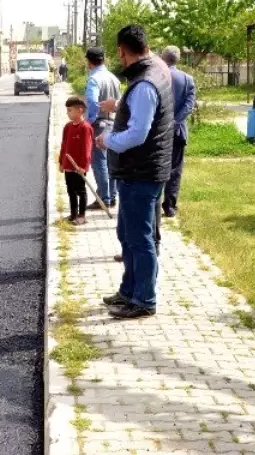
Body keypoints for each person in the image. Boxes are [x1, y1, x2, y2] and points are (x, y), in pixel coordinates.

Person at [96, 25, 174, 320]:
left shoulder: (144, 83)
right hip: (147, 169)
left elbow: (138, 133)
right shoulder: (158, 68)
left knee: (140, 238)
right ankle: (129, 291)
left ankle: (143, 299)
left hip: (140, 171)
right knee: (129, 235)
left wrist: (107, 140)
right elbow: (146, 116)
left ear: (122, 51)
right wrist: (119, 106)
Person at [161, 46, 197, 217]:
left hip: (156, 131)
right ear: (178, 59)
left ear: (162, 57)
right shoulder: (187, 79)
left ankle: (153, 202)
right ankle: (169, 205)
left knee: (156, 166)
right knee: (175, 168)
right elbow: (188, 106)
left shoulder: (156, 76)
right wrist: (175, 122)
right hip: (177, 131)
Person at [84, 47, 122, 209]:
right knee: (111, 162)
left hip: (99, 123)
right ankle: (112, 196)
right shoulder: (114, 78)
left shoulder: (94, 79)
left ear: (89, 62)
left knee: (99, 163)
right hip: (114, 122)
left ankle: (104, 199)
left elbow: (92, 102)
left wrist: (89, 120)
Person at [59, 96, 94, 225]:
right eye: (67, 110)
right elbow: (64, 145)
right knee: (70, 190)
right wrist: (61, 162)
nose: (67, 113)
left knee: (81, 190)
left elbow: (87, 150)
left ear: (79, 111)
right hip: (68, 165)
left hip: (79, 167)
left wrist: (83, 166)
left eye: (69, 110)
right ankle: (73, 213)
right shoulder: (67, 127)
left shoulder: (85, 128)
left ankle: (82, 215)